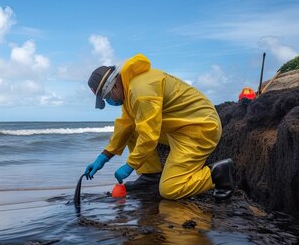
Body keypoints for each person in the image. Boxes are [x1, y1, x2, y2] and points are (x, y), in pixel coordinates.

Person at [84, 53, 235, 200]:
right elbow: (125, 126)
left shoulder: (141, 91)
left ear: (114, 85)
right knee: (132, 129)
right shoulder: (130, 87)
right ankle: (151, 177)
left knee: (170, 189)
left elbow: (149, 135)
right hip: (181, 127)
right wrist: (103, 157)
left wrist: (130, 165)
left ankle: (217, 173)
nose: (109, 101)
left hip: (199, 129)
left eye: (107, 97)